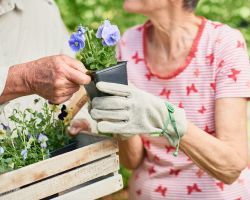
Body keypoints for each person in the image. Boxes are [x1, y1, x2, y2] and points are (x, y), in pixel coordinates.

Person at [87, 0, 250, 199]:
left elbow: (231, 167)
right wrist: (119, 118)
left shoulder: (222, 43)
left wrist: (166, 118)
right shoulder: (129, 42)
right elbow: (132, 161)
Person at [0, 0, 90, 124]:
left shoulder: (44, 8)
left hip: (46, 141)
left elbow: (72, 89)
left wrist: (77, 121)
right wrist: (25, 79)